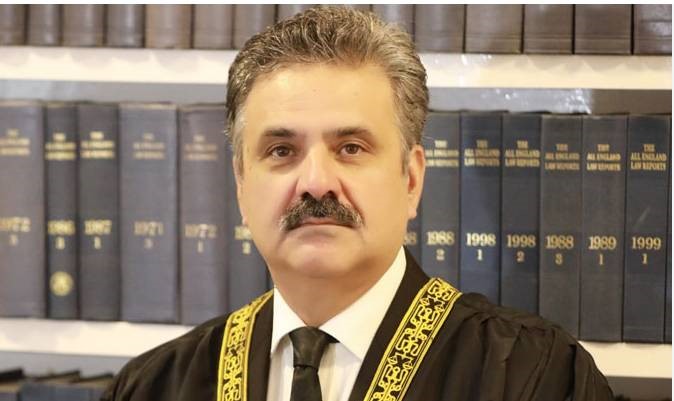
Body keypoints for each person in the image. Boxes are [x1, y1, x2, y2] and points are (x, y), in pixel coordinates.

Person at [102, 6, 614, 401]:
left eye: (351, 148)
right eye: (281, 151)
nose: (316, 183)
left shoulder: (533, 376)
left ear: (411, 178)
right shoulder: (154, 387)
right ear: (240, 183)